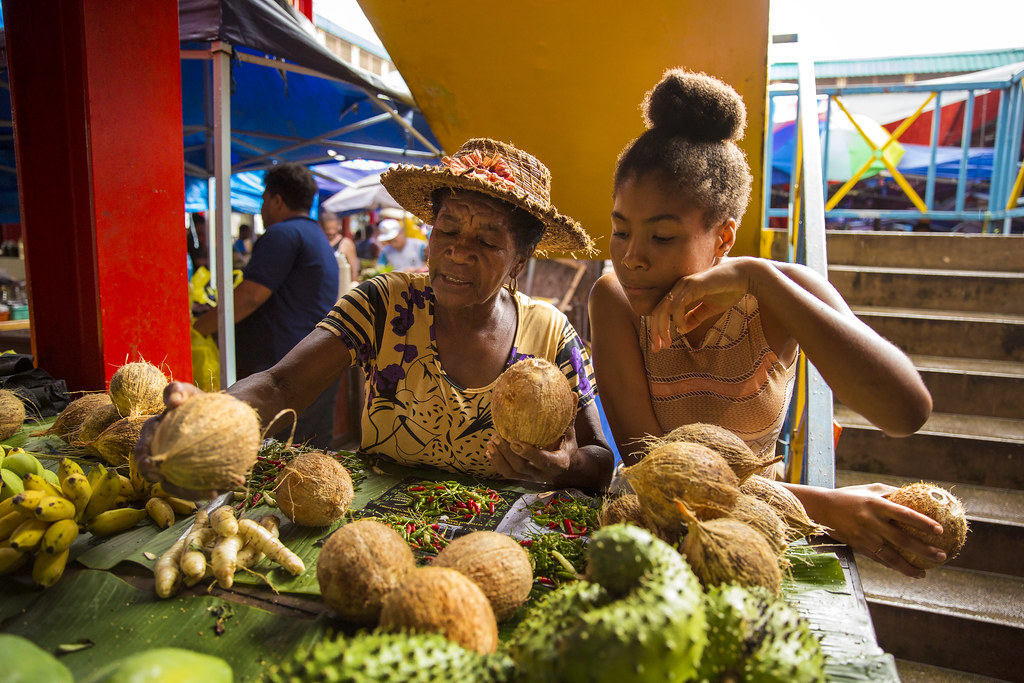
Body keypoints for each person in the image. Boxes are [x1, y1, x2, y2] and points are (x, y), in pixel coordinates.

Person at [588, 69, 944, 579]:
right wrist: (824, 506)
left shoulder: (778, 295)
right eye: (620, 231)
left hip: (764, 532)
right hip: (662, 536)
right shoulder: (616, 301)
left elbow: (906, 411)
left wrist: (761, 279)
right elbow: (660, 475)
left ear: (724, 236)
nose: (632, 258)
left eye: (662, 238)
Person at [142, 139, 614, 498]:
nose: (457, 250)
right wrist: (209, 416)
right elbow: (281, 386)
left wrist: (565, 465)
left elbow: (601, 460)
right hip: (378, 532)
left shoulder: (550, 333)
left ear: (519, 261)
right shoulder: (384, 305)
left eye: (487, 242)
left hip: (500, 552)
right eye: (447, 228)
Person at [193, 162, 340, 449]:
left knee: (278, 457)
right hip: (313, 360)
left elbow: (250, 296)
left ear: (276, 200)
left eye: (263, 199)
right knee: (312, 451)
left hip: (285, 368)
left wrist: (198, 328)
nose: (262, 208)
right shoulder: (317, 237)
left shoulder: (282, 234)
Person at [318, 208, 359, 291]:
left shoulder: (346, 244)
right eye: (327, 231)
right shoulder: (317, 241)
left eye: (334, 230)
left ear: (338, 227)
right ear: (321, 227)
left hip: (341, 289)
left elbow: (354, 271)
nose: (331, 232)